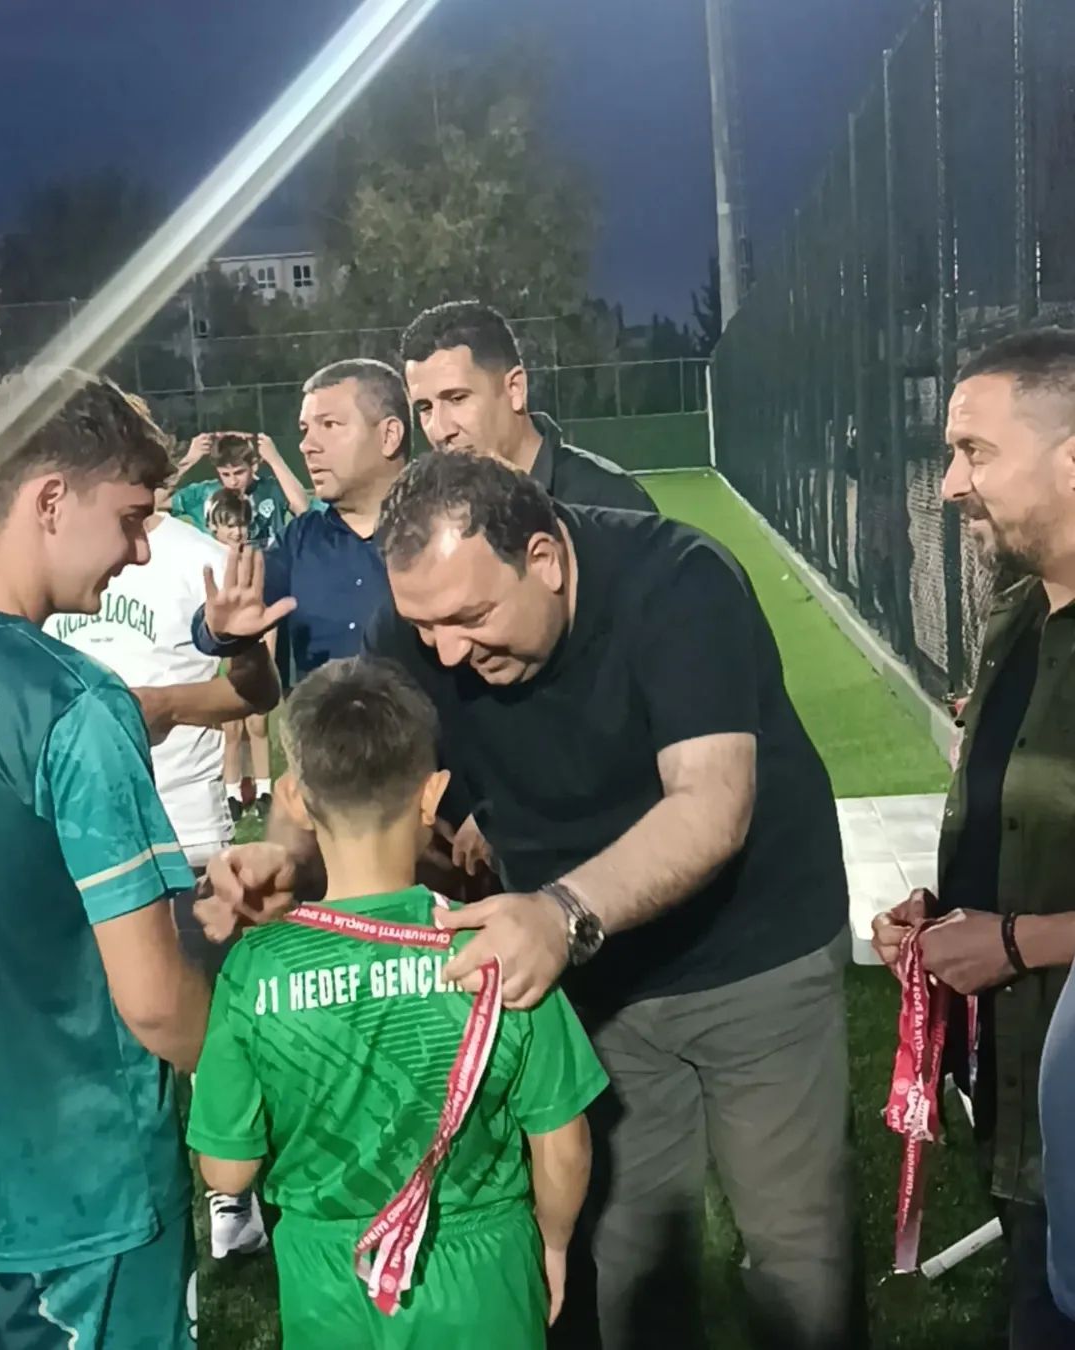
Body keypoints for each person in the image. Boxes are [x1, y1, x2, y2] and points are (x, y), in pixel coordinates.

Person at [199, 452, 859, 1350]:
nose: (446, 653)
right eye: (424, 626)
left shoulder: (679, 580)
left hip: (755, 953)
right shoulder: (420, 628)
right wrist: (287, 856)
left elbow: (711, 805)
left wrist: (559, 914)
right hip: (595, 980)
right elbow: (351, 760)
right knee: (632, 1255)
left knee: (795, 1250)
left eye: (470, 618)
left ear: (543, 559)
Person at [187, 657, 608, 1349]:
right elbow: (562, 1142)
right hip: (485, 1266)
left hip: (329, 1278)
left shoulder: (256, 968)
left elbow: (227, 1169)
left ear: (295, 799)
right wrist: (554, 1244)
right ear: (431, 795)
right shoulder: (502, 946)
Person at [0, 371, 210, 1348]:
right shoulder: (75, 706)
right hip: (84, 1200)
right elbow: (155, 1000)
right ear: (50, 499)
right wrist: (275, 1093)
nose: (139, 550)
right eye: (129, 517)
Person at [873, 327, 1075, 1349]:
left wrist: (1012, 942)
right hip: (1020, 1103)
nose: (950, 485)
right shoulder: (1016, 617)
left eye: (975, 452)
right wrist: (947, 915)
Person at [45, 485, 281, 1263]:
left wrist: (165, 704)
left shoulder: (194, 559)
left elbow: (255, 693)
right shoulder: (52, 560)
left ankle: (230, 1192)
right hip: (77, 828)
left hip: (181, 823)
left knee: (193, 1013)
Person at [192, 359, 408, 684]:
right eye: (306, 430)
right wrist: (218, 628)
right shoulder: (298, 541)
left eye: (329, 425)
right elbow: (212, 626)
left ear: (389, 435)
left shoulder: (444, 531)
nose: (306, 446)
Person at [400, 300, 656, 511]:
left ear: (515, 388)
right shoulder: (435, 514)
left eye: (457, 398)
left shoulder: (611, 504)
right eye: (425, 408)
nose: (439, 430)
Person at [206, 489, 276, 818]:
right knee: (230, 729)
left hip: (250, 650)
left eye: (241, 524)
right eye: (229, 525)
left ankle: (264, 790)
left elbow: (266, 611)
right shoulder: (205, 560)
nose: (236, 532)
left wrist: (269, 652)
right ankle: (232, 793)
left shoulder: (253, 561)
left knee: (257, 724)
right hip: (220, 653)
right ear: (213, 526)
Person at [161, 429, 308, 547]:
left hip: (268, 568)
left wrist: (275, 460)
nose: (233, 481)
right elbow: (157, 501)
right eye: (225, 474)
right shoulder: (202, 493)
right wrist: (189, 460)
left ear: (254, 466)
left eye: (239, 472)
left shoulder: (272, 489)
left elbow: (303, 509)